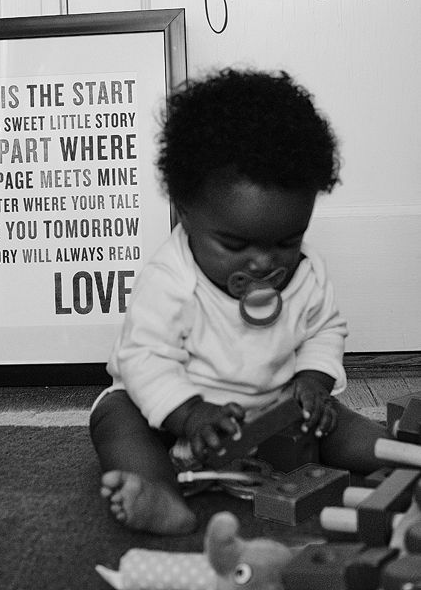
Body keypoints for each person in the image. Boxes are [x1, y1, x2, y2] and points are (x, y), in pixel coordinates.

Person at [90, 68, 388, 535]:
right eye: (234, 245)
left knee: (343, 426)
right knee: (115, 417)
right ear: (185, 211)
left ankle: (396, 450)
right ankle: (158, 495)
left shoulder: (306, 273)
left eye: (288, 241)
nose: (266, 264)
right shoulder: (170, 281)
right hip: (171, 413)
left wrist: (312, 380)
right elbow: (144, 359)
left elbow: (325, 330)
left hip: (274, 409)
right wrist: (189, 414)